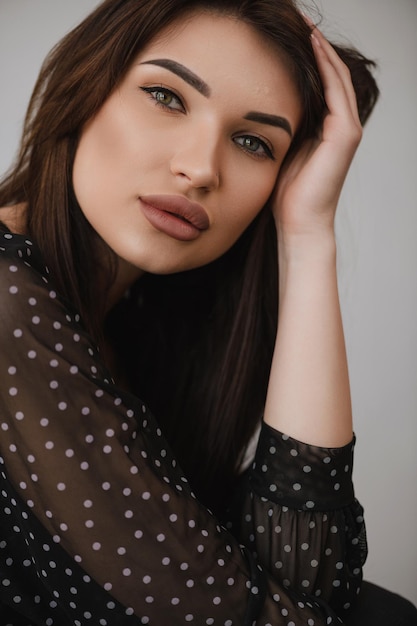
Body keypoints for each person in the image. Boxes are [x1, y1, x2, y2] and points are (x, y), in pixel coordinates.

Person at [0, 0, 415, 624]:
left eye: (253, 142)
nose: (199, 169)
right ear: (86, 87)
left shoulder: (137, 315)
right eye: (167, 97)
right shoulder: (8, 305)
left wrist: (306, 236)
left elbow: (312, 581)